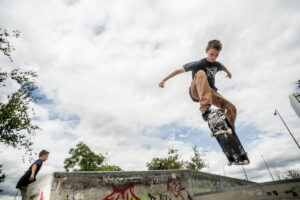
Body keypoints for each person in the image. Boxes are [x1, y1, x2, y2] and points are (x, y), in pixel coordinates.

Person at [159, 40, 237, 129]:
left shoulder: (217, 65)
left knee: (231, 107)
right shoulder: (199, 64)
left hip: (209, 92)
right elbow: (178, 71)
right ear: (206, 51)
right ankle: (205, 111)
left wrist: (228, 73)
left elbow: (224, 68)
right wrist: (163, 80)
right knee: (200, 73)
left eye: (216, 55)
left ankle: (229, 131)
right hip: (196, 91)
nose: (214, 57)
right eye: (211, 54)